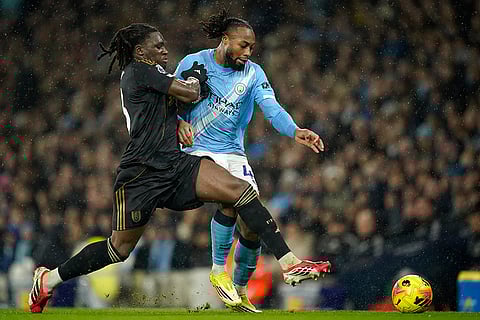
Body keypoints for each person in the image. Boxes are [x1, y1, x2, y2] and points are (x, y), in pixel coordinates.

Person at [28, 23, 330, 314]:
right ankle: (49, 279)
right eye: (157, 45)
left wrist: (181, 119)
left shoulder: (158, 72)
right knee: (118, 250)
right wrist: (195, 83)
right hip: (140, 173)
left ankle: (287, 262)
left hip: (175, 164)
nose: (164, 49)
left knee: (239, 191)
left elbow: (173, 106)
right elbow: (187, 93)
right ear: (139, 50)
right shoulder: (136, 71)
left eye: (164, 44)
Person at [174, 10, 327, 312]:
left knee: (251, 226)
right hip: (197, 149)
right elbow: (169, 102)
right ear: (225, 40)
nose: (247, 52)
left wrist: (294, 130)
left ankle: (241, 291)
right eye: (243, 46)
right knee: (233, 198)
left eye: (252, 48)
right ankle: (220, 270)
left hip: (232, 151)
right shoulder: (193, 63)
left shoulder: (253, 73)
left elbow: (272, 108)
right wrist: (178, 121)